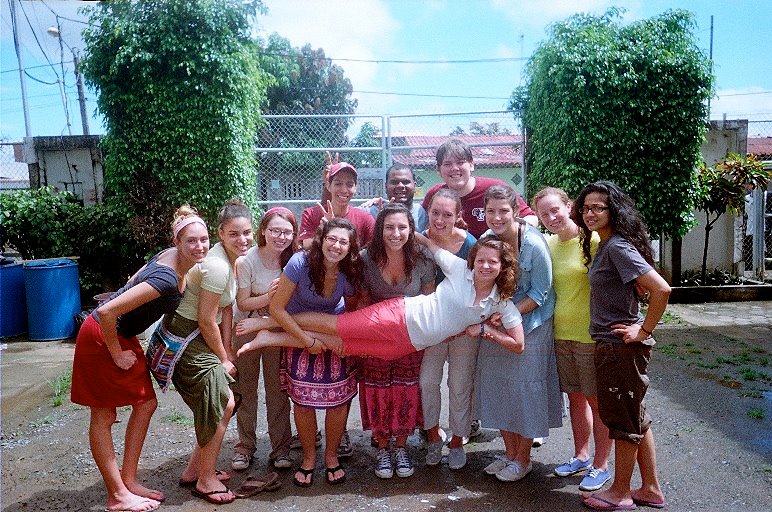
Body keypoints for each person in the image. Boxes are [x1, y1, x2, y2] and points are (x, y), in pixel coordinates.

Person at [70, 206, 209, 512]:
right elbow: (107, 311)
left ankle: (129, 480)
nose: (199, 246)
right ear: (177, 242)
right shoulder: (166, 278)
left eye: (204, 239)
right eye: (191, 241)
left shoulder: (170, 256)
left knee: (145, 403)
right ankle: (117, 495)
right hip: (103, 335)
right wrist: (116, 352)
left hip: (121, 334)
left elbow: (131, 281)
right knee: (103, 415)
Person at [236, 236, 525, 381]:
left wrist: (486, 330)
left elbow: (518, 344)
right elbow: (428, 243)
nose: (485, 266)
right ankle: (268, 323)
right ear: (473, 260)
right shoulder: (460, 269)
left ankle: (270, 337)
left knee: (341, 345)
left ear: (503, 267)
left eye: (493, 262)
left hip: (410, 343)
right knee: (335, 326)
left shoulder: (501, 302)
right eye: (481, 260)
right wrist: (403, 226)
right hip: (399, 315)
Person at [238, 218, 362, 487]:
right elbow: (277, 308)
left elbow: (353, 310)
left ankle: (331, 456)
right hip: (297, 331)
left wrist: (346, 338)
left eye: (343, 242)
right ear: (321, 240)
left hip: (331, 329)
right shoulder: (299, 263)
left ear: (350, 247)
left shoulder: (349, 270)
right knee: (304, 403)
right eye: (332, 239)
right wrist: (305, 340)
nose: (336, 246)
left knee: (339, 402)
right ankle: (308, 458)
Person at [572, 181, 670, 511]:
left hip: (619, 348)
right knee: (636, 418)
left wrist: (643, 329)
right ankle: (651, 488)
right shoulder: (607, 244)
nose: (590, 213)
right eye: (585, 208)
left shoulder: (616, 247)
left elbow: (661, 289)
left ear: (613, 211)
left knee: (623, 422)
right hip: (616, 347)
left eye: (598, 208)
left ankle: (620, 492)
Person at [168, 199, 253, 505]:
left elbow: (226, 308)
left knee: (224, 398)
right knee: (223, 400)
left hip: (201, 334)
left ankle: (195, 470)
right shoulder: (217, 265)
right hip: (185, 336)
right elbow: (206, 319)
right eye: (234, 234)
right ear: (221, 233)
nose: (242, 239)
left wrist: (227, 349)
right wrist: (223, 358)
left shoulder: (231, 259)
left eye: (247, 233)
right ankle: (205, 479)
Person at [477, 185, 562, 482]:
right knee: (499, 387)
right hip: (497, 320)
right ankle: (510, 453)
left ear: (515, 211)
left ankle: (523, 459)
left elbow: (540, 293)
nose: (497, 217)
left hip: (532, 324)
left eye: (503, 211)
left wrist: (507, 315)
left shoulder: (534, 244)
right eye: (490, 211)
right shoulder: (486, 240)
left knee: (525, 390)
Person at [533, 187, 612, 492]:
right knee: (575, 399)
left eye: (555, 210)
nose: (551, 217)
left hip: (590, 335)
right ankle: (581, 456)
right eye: (544, 214)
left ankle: (601, 465)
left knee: (597, 401)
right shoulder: (547, 244)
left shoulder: (594, 241)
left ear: (569, 207)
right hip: (560, 334)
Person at [357, 203, 435, 479]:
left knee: (406, 389)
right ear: (380, 230)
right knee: (377, 389)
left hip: (410, 335)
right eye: (389, 227)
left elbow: (429, 301)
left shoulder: (423, 258)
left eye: (402, 227)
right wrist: (365, 339)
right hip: (376, 334)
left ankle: (401, 447)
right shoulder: (366, 259)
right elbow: (363, 302)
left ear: (411, 229)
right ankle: (382, 447)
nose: (396, 233)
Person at [231, 207, 299, 473]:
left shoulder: (294, 260)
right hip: (246, 326)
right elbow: (243, 302)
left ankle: (281, 447)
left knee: (278, 390)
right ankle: (245, 446)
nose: (281, 237)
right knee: (245, 388)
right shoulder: (247, 260)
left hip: (277, 330)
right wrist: (270, 297)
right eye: (275, 231)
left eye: (287, 232)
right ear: (263, 231)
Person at [419, 188, 478, 470]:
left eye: (447, 214)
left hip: (465, 328)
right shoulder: (419, 241)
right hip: (433, 327)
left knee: (460, 384)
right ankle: (433, 436)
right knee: (427, 381)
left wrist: (465, 323)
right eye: (435, 213)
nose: (440, 220)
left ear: (458, 216)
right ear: (427, 212)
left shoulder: (470, 245)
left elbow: (479, 287)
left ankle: (457, 440)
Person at [421, 138, 537, 238]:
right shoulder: (435, 195)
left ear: (471, 165)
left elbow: (531, 218)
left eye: (460, 162)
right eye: (447, 164)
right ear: (438, 170)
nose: (455, 168)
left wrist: (506, 237)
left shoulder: (495, 189)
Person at [299, 160, 375, 249]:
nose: (344, 190)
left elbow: (374, 248)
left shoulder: (365, 218)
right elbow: (306, 246)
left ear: (355, 188)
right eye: (338, 184)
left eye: (350, 185)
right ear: (328, 186)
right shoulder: (311, 214)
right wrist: (323, 229)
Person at [361, 162, 429, 232]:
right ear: (386, 187)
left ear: (414, 186)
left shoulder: (422, 213)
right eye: (394, 182)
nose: (400, 186)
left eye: (406, 182)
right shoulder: (369, 212)